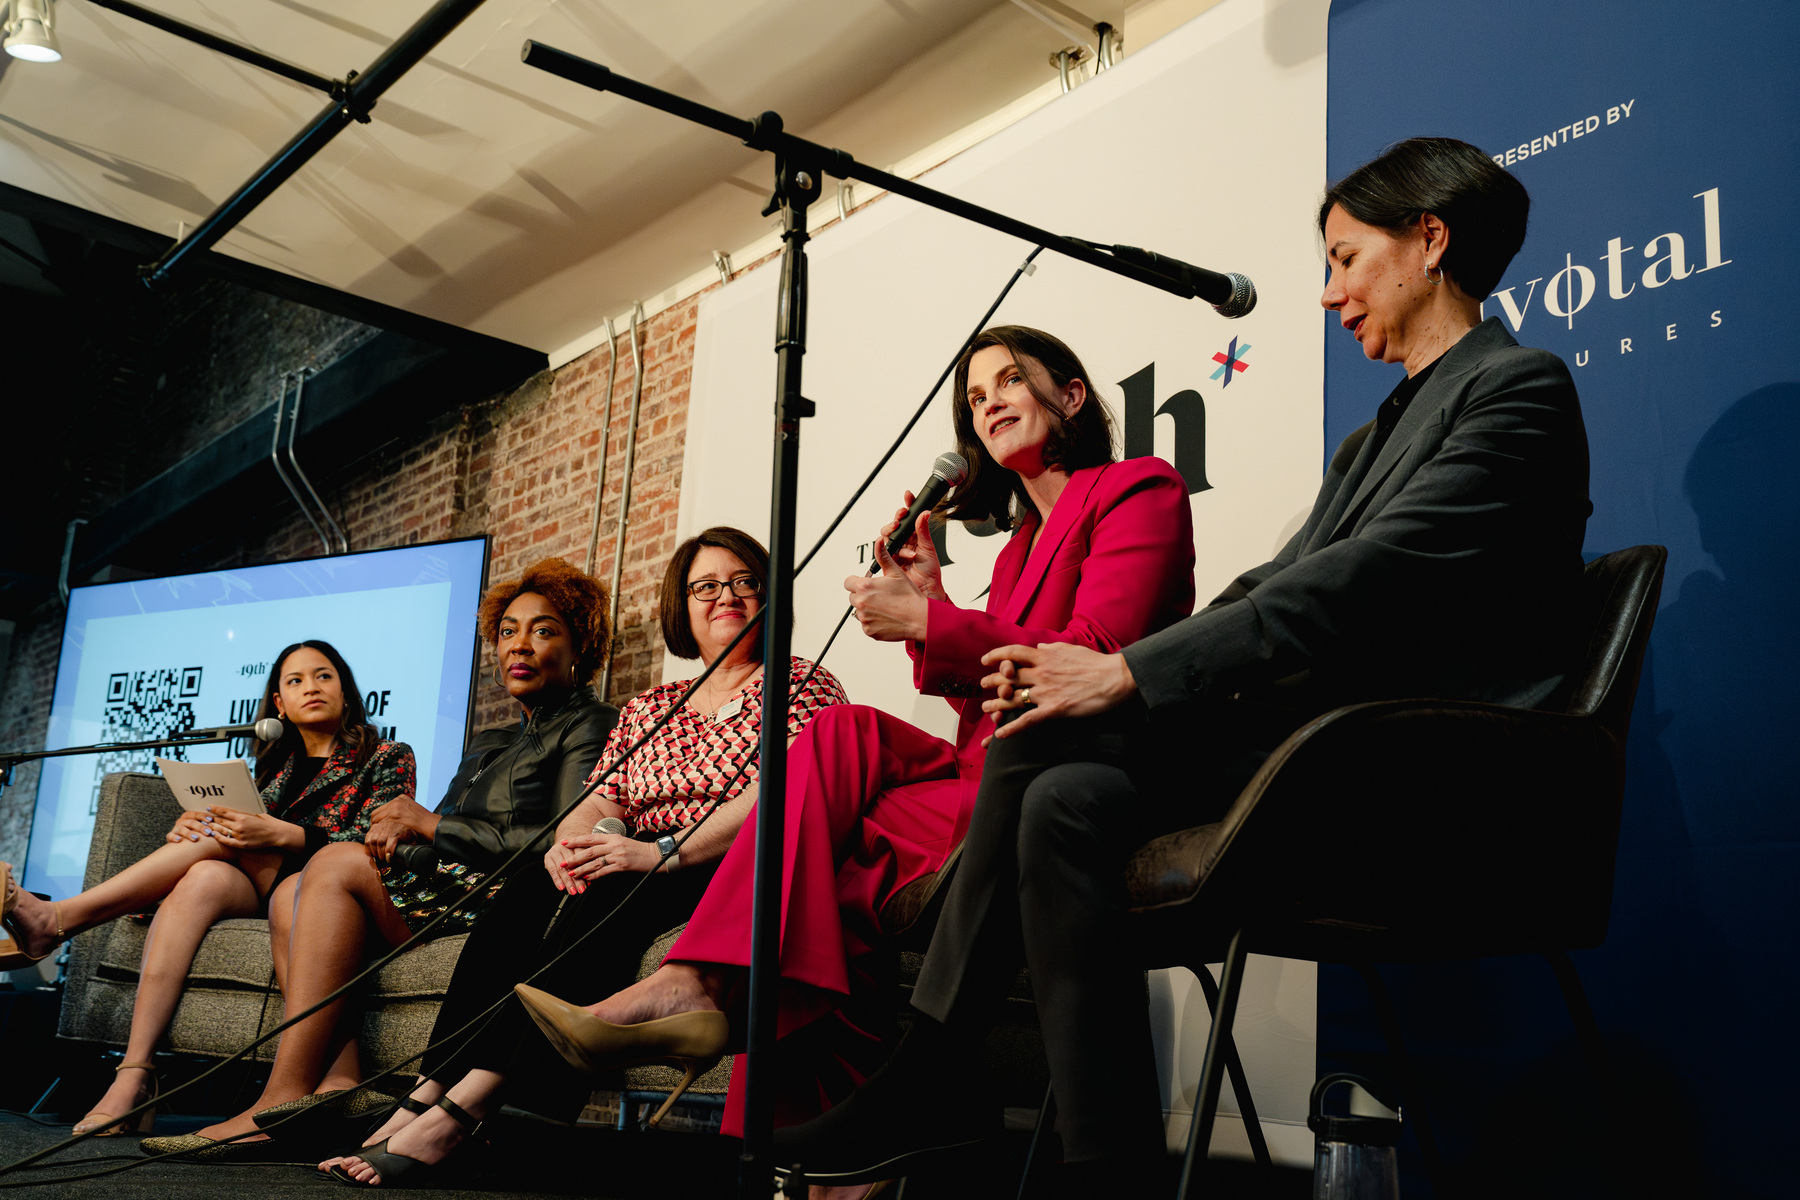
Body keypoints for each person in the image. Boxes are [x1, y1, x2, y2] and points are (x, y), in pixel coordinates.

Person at [770, 137, 1595, 1190]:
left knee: (1055, 738)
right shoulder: (1371, 439)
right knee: (1060, 795)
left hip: (1418, 758)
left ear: (1429, 240)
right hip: (1318, 739)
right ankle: (1104, 1164)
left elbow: (1373, 578)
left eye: (1345, 258)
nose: (1330, 292)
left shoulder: (1518, 388)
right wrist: (1123, 673)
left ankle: (930, 1073)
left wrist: (1124, 674)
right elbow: (1269, 590)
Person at [512, 326, 1198, 1193]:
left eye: (1006, 381)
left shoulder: (1137, 486)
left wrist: (931, 624)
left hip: (1076, 772)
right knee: (830, 793)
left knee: (828, 857)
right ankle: (814, 1141)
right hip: (994, 775)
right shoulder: (1019, 548)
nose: (986, 402)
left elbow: (1095, 655)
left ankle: (805, 1122)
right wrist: (935, 599)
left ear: (1069, 395)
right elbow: (984, 704)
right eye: (973, 397)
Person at [324, 528, 848, 1187]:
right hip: (638, 855)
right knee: (533, 890)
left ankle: (467, 1107)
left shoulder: (801, 684)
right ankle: (429, 1089)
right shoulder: (656, 706)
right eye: (706, 586)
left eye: (744, 582)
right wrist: (572, 846)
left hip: (723, 864)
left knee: (606, 890)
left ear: (769, 597)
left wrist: (656, 850)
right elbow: (603, 796)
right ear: (681, 606)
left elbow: (778, 795)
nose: (727, 597)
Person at [140, 558, 619, 1159]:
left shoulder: (594, 722)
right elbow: (432, 839)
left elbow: (559, 843)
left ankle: (277, 1098)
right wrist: (394, 833)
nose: (519, 644)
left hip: (502, 900)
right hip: (444, 889)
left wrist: (427, 822)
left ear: (581, 645)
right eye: (507, 631)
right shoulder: (491, 740)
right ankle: (333, 1085)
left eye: (544, 630)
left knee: (335, 861)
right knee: (297, 885)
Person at [0, 641, 414, 1138]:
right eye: (295, 681)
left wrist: (287, 835)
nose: (311, 688)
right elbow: (246, 838)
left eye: (323, 676)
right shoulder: (271, 770)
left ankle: (54, 920)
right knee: (200, 875)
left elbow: (385, 837)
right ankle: (135, 1071)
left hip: (337, 894)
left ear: (345, 691)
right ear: (278, 704)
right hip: (267, 891)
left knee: (216, 848)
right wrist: (196, 824)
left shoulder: (386, 755)